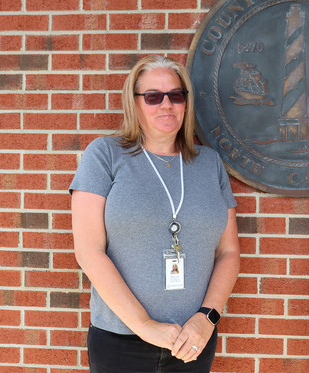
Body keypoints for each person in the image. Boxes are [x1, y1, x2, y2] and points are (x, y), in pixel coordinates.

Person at [70, 55, 240, 373]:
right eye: (153, 96)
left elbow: (229, 252)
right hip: (120, 342)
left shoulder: (209, 163)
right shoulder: (104, 155)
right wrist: (145, 325)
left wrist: (207, 318)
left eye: (176, 95)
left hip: (192, 341)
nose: (166, 105)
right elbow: (88, 251)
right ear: (134, 104)